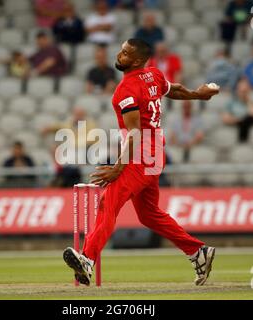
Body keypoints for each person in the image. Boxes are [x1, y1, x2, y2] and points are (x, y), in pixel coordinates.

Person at [63, 39, 219, 286]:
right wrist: (197, 95)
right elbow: (173, 89)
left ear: (136, 60)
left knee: (108, 202)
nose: (120, 54)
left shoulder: (126, 90)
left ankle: (88, 260)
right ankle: (197, 252)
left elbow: (134, 133)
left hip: (141, 157)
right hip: (154, 155)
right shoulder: (154, 76)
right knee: (149, 214)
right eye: (122, 49)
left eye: (125, 53)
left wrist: (117, 168)